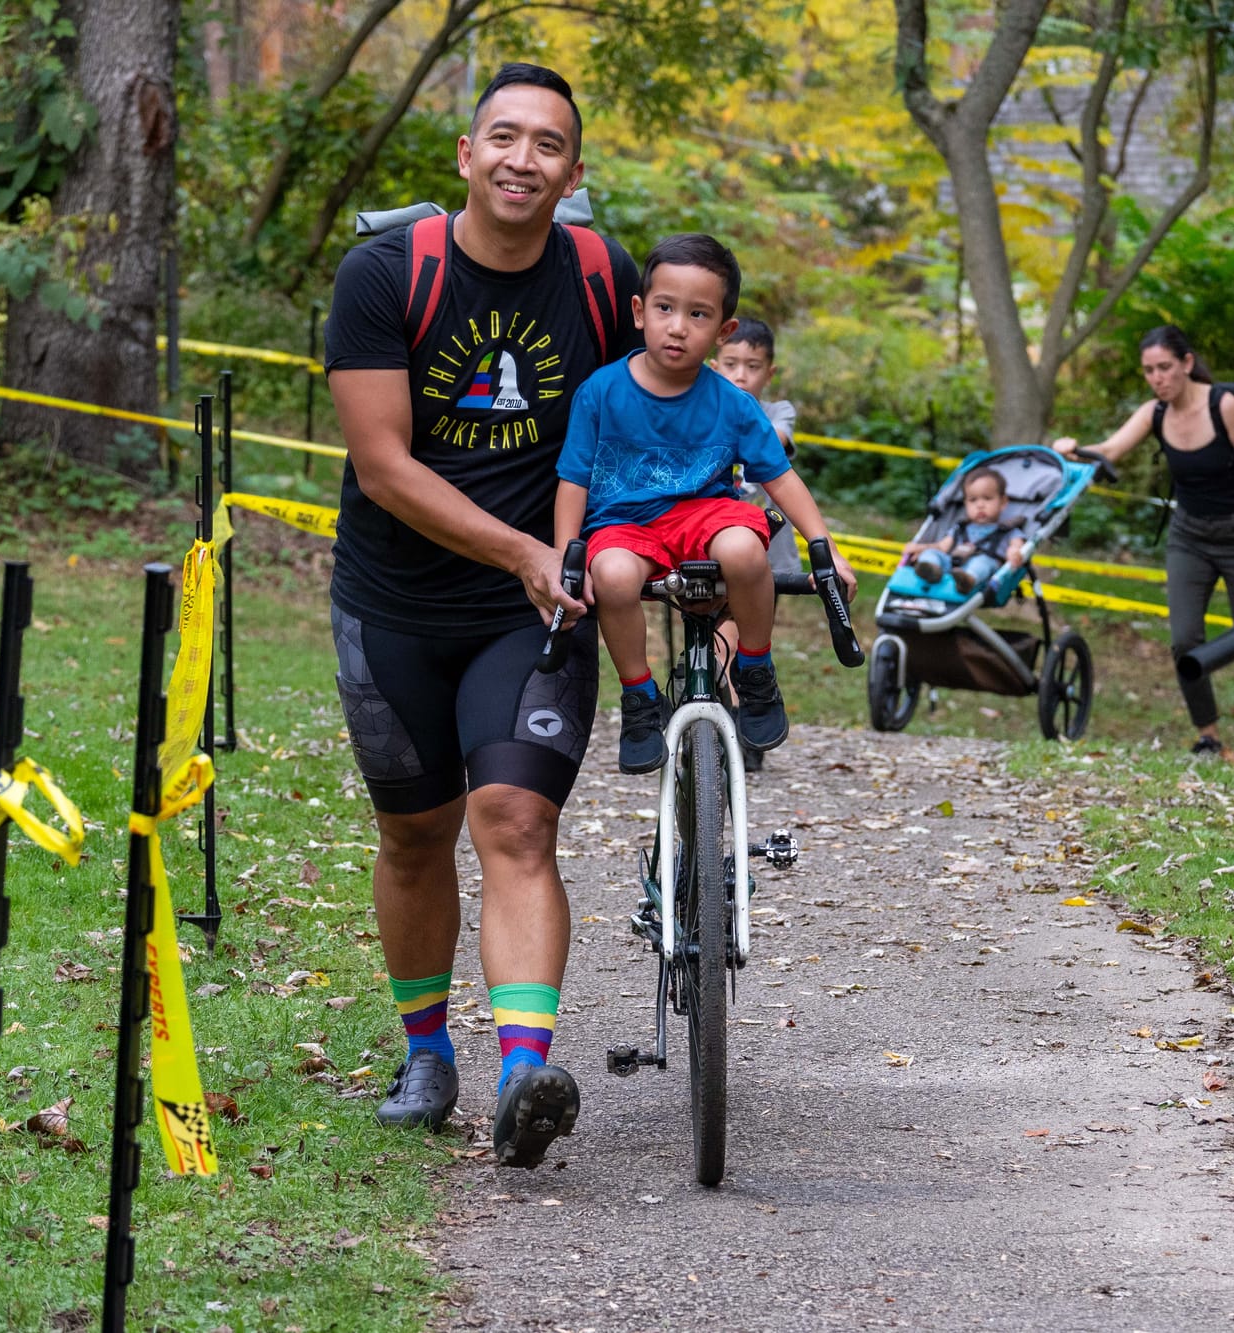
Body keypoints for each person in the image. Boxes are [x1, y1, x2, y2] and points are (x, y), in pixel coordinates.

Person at [323, 62, 643, 1168]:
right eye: (501, 137)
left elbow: (643, 416)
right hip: (395, 601)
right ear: (465, 155)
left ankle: (520, 1074)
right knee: (415, 835)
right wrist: (517, 546)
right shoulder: (385, 275)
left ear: (572, 171)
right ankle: (425, 1052)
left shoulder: (604, 276)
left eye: (547, 144)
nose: (522, 158)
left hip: (535, 610)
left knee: (515, 821)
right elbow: (381, 464)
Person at [554, 233, 856, 775]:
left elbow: (781, 479)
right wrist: (564, 556)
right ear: (640, 312)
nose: (678, 326)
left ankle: (755, 669)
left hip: (706, 515)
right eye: (665, 308)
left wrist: (823, 547)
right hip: (624, 522)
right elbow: (574, 480)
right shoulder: (599, 392)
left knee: (744, 550)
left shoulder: (735, 405)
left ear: (723, 331)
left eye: (698, 314)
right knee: (616, 575)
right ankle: (640, 698)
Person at [1051, 325, 1234, 771]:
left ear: (1186, 363)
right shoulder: (1155, 414)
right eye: (1148, 371)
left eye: (1164, 367)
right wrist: (1073, 450)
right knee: (1185, 639)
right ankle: (1208, 738)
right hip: (1190, 536)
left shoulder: (1225, 406)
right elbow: (1109, 450)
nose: (1157, 378)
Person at [711, 317, 798, 771]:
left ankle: (746, 725)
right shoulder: (702, 406)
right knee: (718, 638)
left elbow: (776, 443)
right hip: (709, 550)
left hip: (769, 554)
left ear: (770, 373)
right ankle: (722, 721)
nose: (740, 375)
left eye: (752, 366)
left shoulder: (776, 414)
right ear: (714, 364)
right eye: (730, 364)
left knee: (749, 640)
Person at [900, 466, 1028, 594]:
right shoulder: (960, 528)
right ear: (965, 503)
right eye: (973, 500)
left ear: (1003, 502)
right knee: (931, 554)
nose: (980, 505)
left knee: (982, 562)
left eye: (987, 498)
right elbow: (941, 547)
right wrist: (920, 548)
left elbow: (1016, 546)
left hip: (983, 570)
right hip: (951, 565)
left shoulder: (1008, 531)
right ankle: (930, 570)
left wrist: (1014, 553)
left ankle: (968, 581)